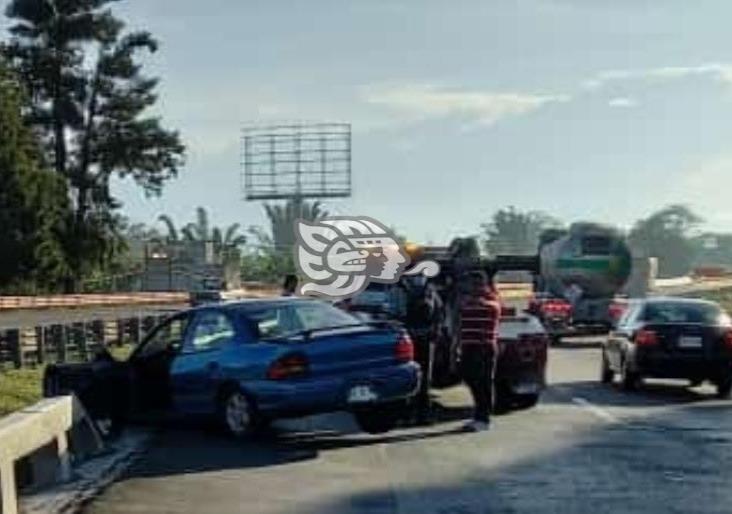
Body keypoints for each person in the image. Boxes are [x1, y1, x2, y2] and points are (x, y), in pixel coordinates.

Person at [458, 270, 501, 432]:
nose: (470, 287)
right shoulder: (470, 300)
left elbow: (492, 308)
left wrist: (472, 302)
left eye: (473, 283)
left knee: (483, 383)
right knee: (470, 378)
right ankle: (479, 415)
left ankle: (483, 419)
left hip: (483, 347)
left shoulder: (489, 299)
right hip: (469, 346)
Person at [401, 276, 443, 425]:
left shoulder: (403, 289)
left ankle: (412, 414)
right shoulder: (429, 290)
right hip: (420, 339)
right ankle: (419, 414)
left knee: (414, 377)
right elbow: (438, 314)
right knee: (422, 377)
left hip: (411, 338)